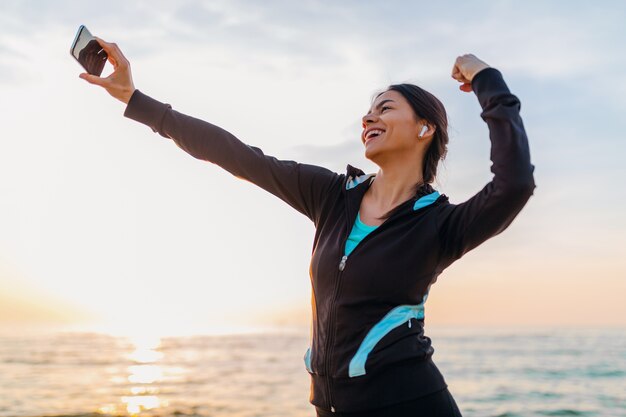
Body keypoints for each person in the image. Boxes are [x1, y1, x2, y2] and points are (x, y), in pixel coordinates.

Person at [80, 37, 536, 417]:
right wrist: (135, 100)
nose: (369, 117)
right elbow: (237, 155)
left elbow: (514, 183)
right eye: (368, 111)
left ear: (425, 129)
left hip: (411, 403)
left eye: (386, 108)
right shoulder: (332, 197)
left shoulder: (441, 225)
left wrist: (485, 79)